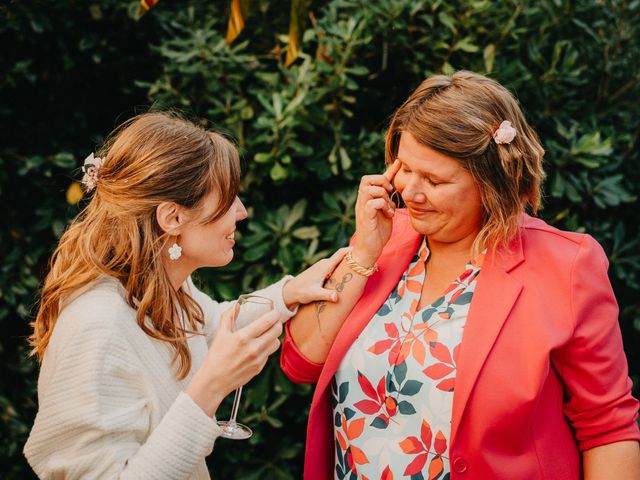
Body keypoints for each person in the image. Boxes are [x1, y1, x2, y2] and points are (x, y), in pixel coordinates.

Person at [281, 71, 640, 479]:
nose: (410, 192)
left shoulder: (567, 265)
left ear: (491, 182)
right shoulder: (389, 237)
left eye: (435, 180)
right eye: (404, 168)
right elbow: (301, 362)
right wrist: (363, 253)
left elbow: (607, 427)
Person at [24, 112, 345, 479]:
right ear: (172, 218)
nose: (241, 211)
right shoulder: (98, 327)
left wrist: (289, 293)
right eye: (227, 199)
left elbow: (212, 327)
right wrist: (212, 386)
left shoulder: (158, 289)